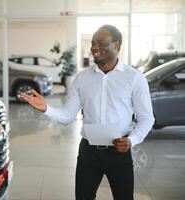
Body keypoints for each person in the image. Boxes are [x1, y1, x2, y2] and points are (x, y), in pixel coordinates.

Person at [20, 24, 155, 200]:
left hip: (119, 152)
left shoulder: (134, 78)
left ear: (116, 45)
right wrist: (47, 108)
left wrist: (131, 140)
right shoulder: (82, 79)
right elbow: (68, 116)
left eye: (101, 42)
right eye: (92, 43)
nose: (94, 47)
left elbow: (146, 118)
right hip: (88, 153)